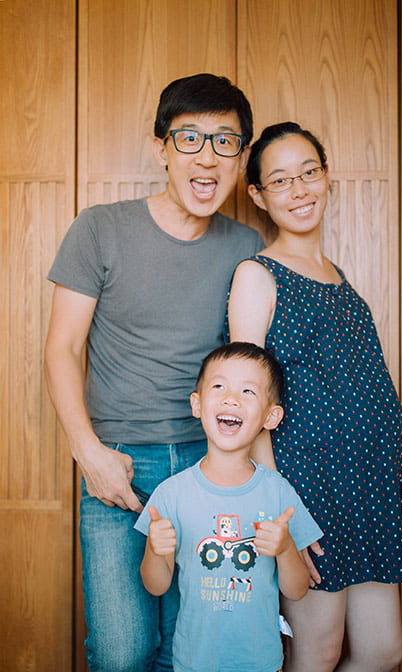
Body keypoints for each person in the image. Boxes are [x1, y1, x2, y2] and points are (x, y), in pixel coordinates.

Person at [44, 73, 264, 672]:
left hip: (210, 465)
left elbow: (256, 364)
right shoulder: (99, 227)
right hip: (117, 465)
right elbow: (61, 348)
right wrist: (88, 452)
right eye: (189, 138)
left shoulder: (246, 244)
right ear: (160, 147)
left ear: (242, 155)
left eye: (225, 141)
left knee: (193, 649)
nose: (207, 156)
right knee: (121, 651)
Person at [227, 122, 402, 672]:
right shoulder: (257, 274)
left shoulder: (336, 274)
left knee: (385, 650)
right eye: (281, 180)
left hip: (370, 481)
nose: (299, 190)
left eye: (309, 173)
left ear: (327, 176)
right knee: (318, 650)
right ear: (259, 197)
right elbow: (246, 395)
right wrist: (277, 506)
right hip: (307, 487)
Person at [135, 341, 323, 672]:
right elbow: (156, 585)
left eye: (248, 391)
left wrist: (284, 547)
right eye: (219, 386)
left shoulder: (278, 492)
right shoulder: (171, 495)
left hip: (261, 662)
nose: (231, 398)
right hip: (194, 662)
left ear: (271, 416)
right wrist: (154, 549)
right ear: (196, 403)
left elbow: (296, 590)